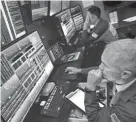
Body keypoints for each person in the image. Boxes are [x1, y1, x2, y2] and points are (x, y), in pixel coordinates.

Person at [66, 39, 136, 122]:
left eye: (105, 66)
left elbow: (95, 118)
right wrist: (79, 70)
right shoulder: (124, 74)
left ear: (125, 74)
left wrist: (90, 87)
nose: (100, 67)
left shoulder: (130, 110)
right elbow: (101, 69)